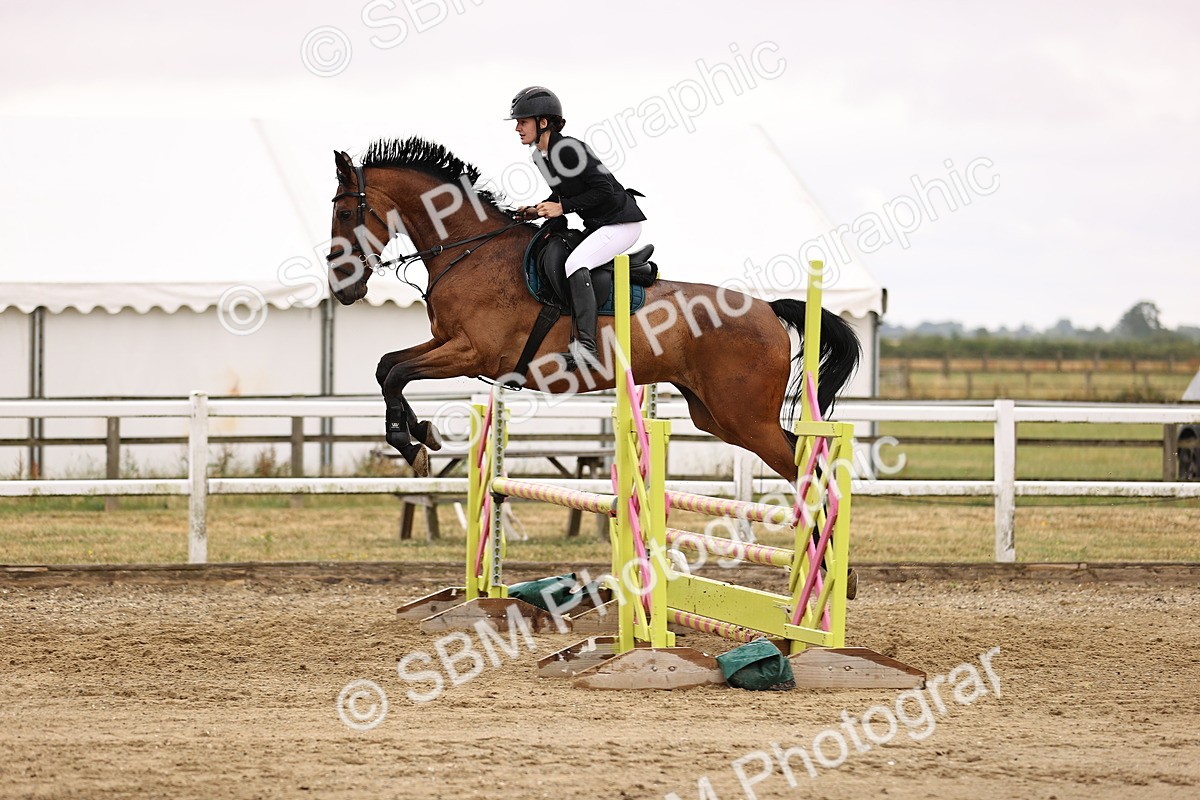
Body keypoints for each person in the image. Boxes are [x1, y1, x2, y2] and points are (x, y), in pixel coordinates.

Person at [506, 86, 646, 368]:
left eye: (523, 122)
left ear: (543, 122)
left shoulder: (569, 149)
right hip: (601, 225)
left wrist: (563, 207)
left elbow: (604, 190)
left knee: (575, 264)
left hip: (621, 222)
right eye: (517, 123)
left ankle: (587, 348)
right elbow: (561, 195)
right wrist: (536, 210)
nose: (518, 128)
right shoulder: (539, 156)